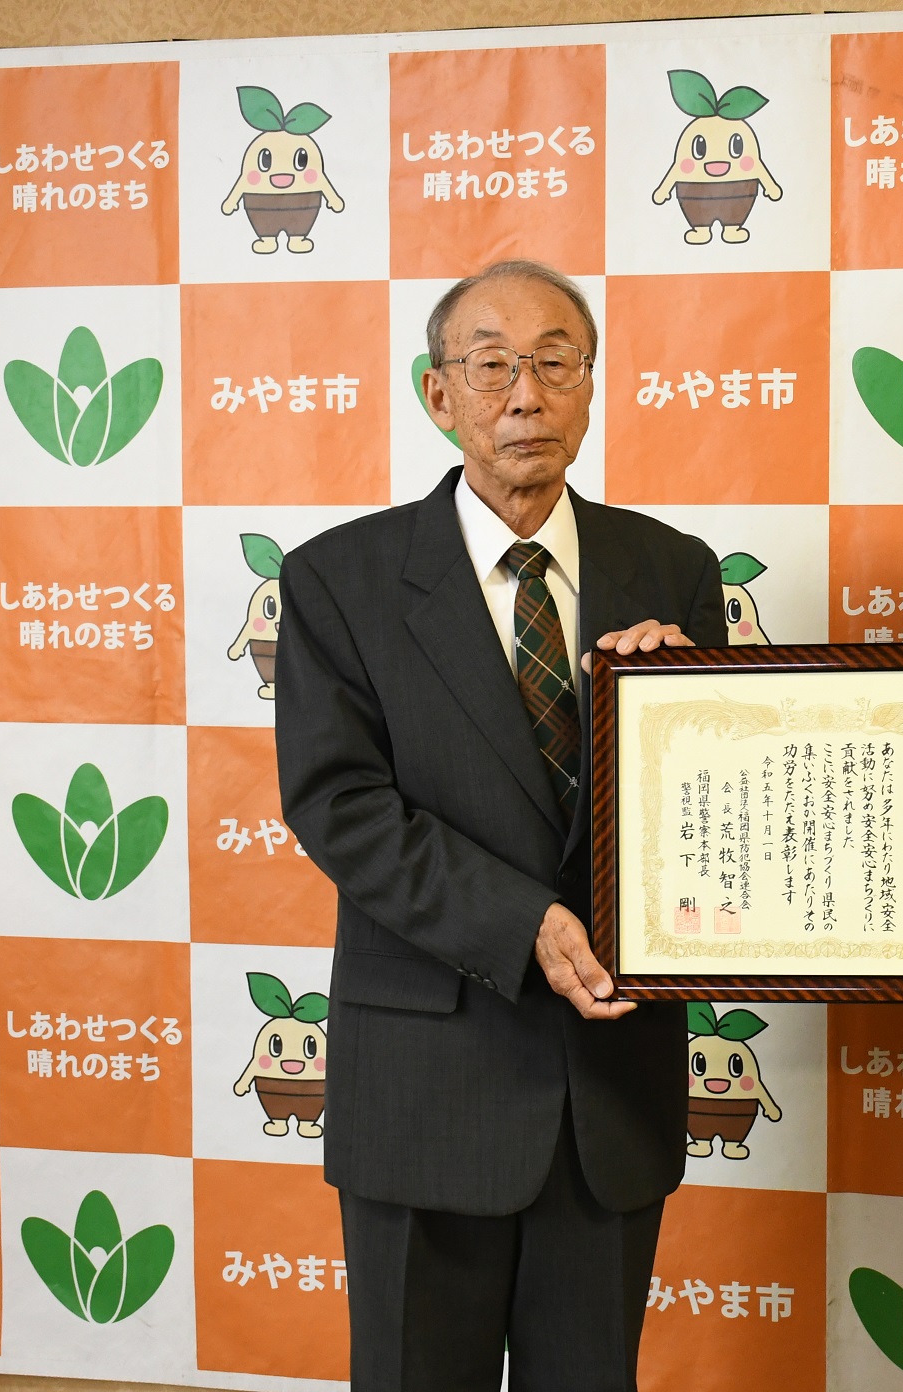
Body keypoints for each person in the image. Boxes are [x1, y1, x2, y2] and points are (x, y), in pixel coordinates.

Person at [275, 259, 727, 1391]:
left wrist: (695, 718)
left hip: (608, 1096)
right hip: (426, 1084)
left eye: (554, 362)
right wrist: (524, 923)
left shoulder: (672, 571)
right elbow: (340, 805)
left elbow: (725, 813)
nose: (525, 394)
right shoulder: (341, 580)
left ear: (589, 384)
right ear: (440, 395)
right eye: (491, 367)